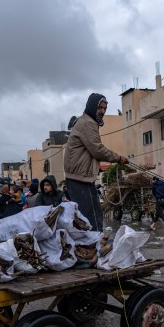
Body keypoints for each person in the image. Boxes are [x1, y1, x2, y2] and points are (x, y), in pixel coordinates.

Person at [63, 93, 128, 231]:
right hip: (80, 179)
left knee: (91, 215)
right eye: (100, 108)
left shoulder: (87, 122)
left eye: (105, 108)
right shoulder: (87, 123)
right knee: (92, 217)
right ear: (92, 107)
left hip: (81, 178)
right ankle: (94, 247)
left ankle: (91, 245)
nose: (103, 111)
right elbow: (97, 150)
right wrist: (118, 158)